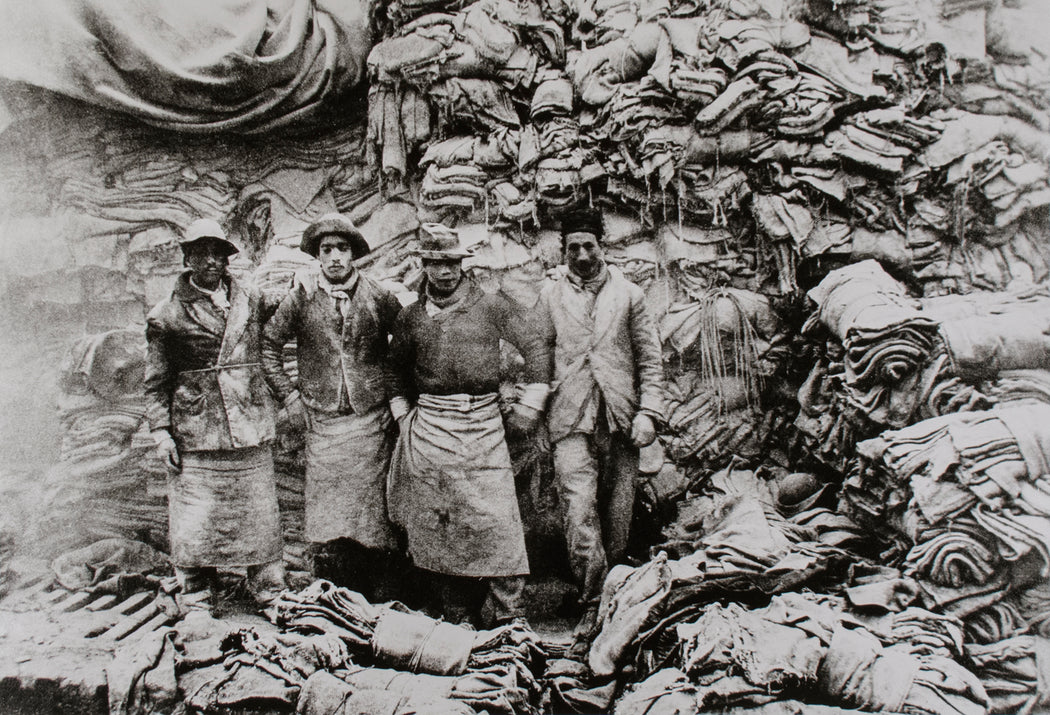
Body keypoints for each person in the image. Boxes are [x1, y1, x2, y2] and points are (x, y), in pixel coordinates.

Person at [387, 223, 551, 626]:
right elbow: (393, 370)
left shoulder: (492, 305)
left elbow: (534, 345)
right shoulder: (410, 317)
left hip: (483, 424)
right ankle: (456, 610)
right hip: (431, 428)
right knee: (443, 520)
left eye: (451, 263)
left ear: (462, 264)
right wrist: (404, 417)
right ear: (423, 265)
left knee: (496, 519)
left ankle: (509, 612)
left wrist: (530, 404)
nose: (444, 272)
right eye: (435, 263)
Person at [534, 207, 665, 638]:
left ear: (601, 246)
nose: (582, 254)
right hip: (569, 417)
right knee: (578, 508)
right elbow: (536, 359)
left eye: (589, 245)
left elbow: (649, 359)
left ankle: (618, 597)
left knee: (618, 514)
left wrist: (649, 412)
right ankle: (593, 600)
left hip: (621, 417)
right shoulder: (547, 295)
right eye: (573, 247)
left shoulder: (630, 295)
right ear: (563, 250)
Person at [144, 218, 285, 614]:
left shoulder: (250, 298)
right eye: (201, 253)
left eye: (218, 253)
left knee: (259, 511)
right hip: (198, 426)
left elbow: (293, 300)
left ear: (227, 260)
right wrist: (161, 434)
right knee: (196, 517)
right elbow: (155, 384)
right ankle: (196, 593)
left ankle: (269, 589)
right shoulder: (166, 314)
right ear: (187, 258)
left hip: (249, 419)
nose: (210, 261)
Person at [261, 213, 404, 600]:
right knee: (328, 512)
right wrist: (289, 397)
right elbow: (268, 345)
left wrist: (397, 397)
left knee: (374, 511)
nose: (335, 257)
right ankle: (337, 589)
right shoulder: (302, 297)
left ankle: (382, 590)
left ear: (354, 253)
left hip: (370, 419)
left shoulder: (377, 295)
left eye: (342, 249)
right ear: (317, 256)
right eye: (327, 250)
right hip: (322, 422)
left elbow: (407, 341)